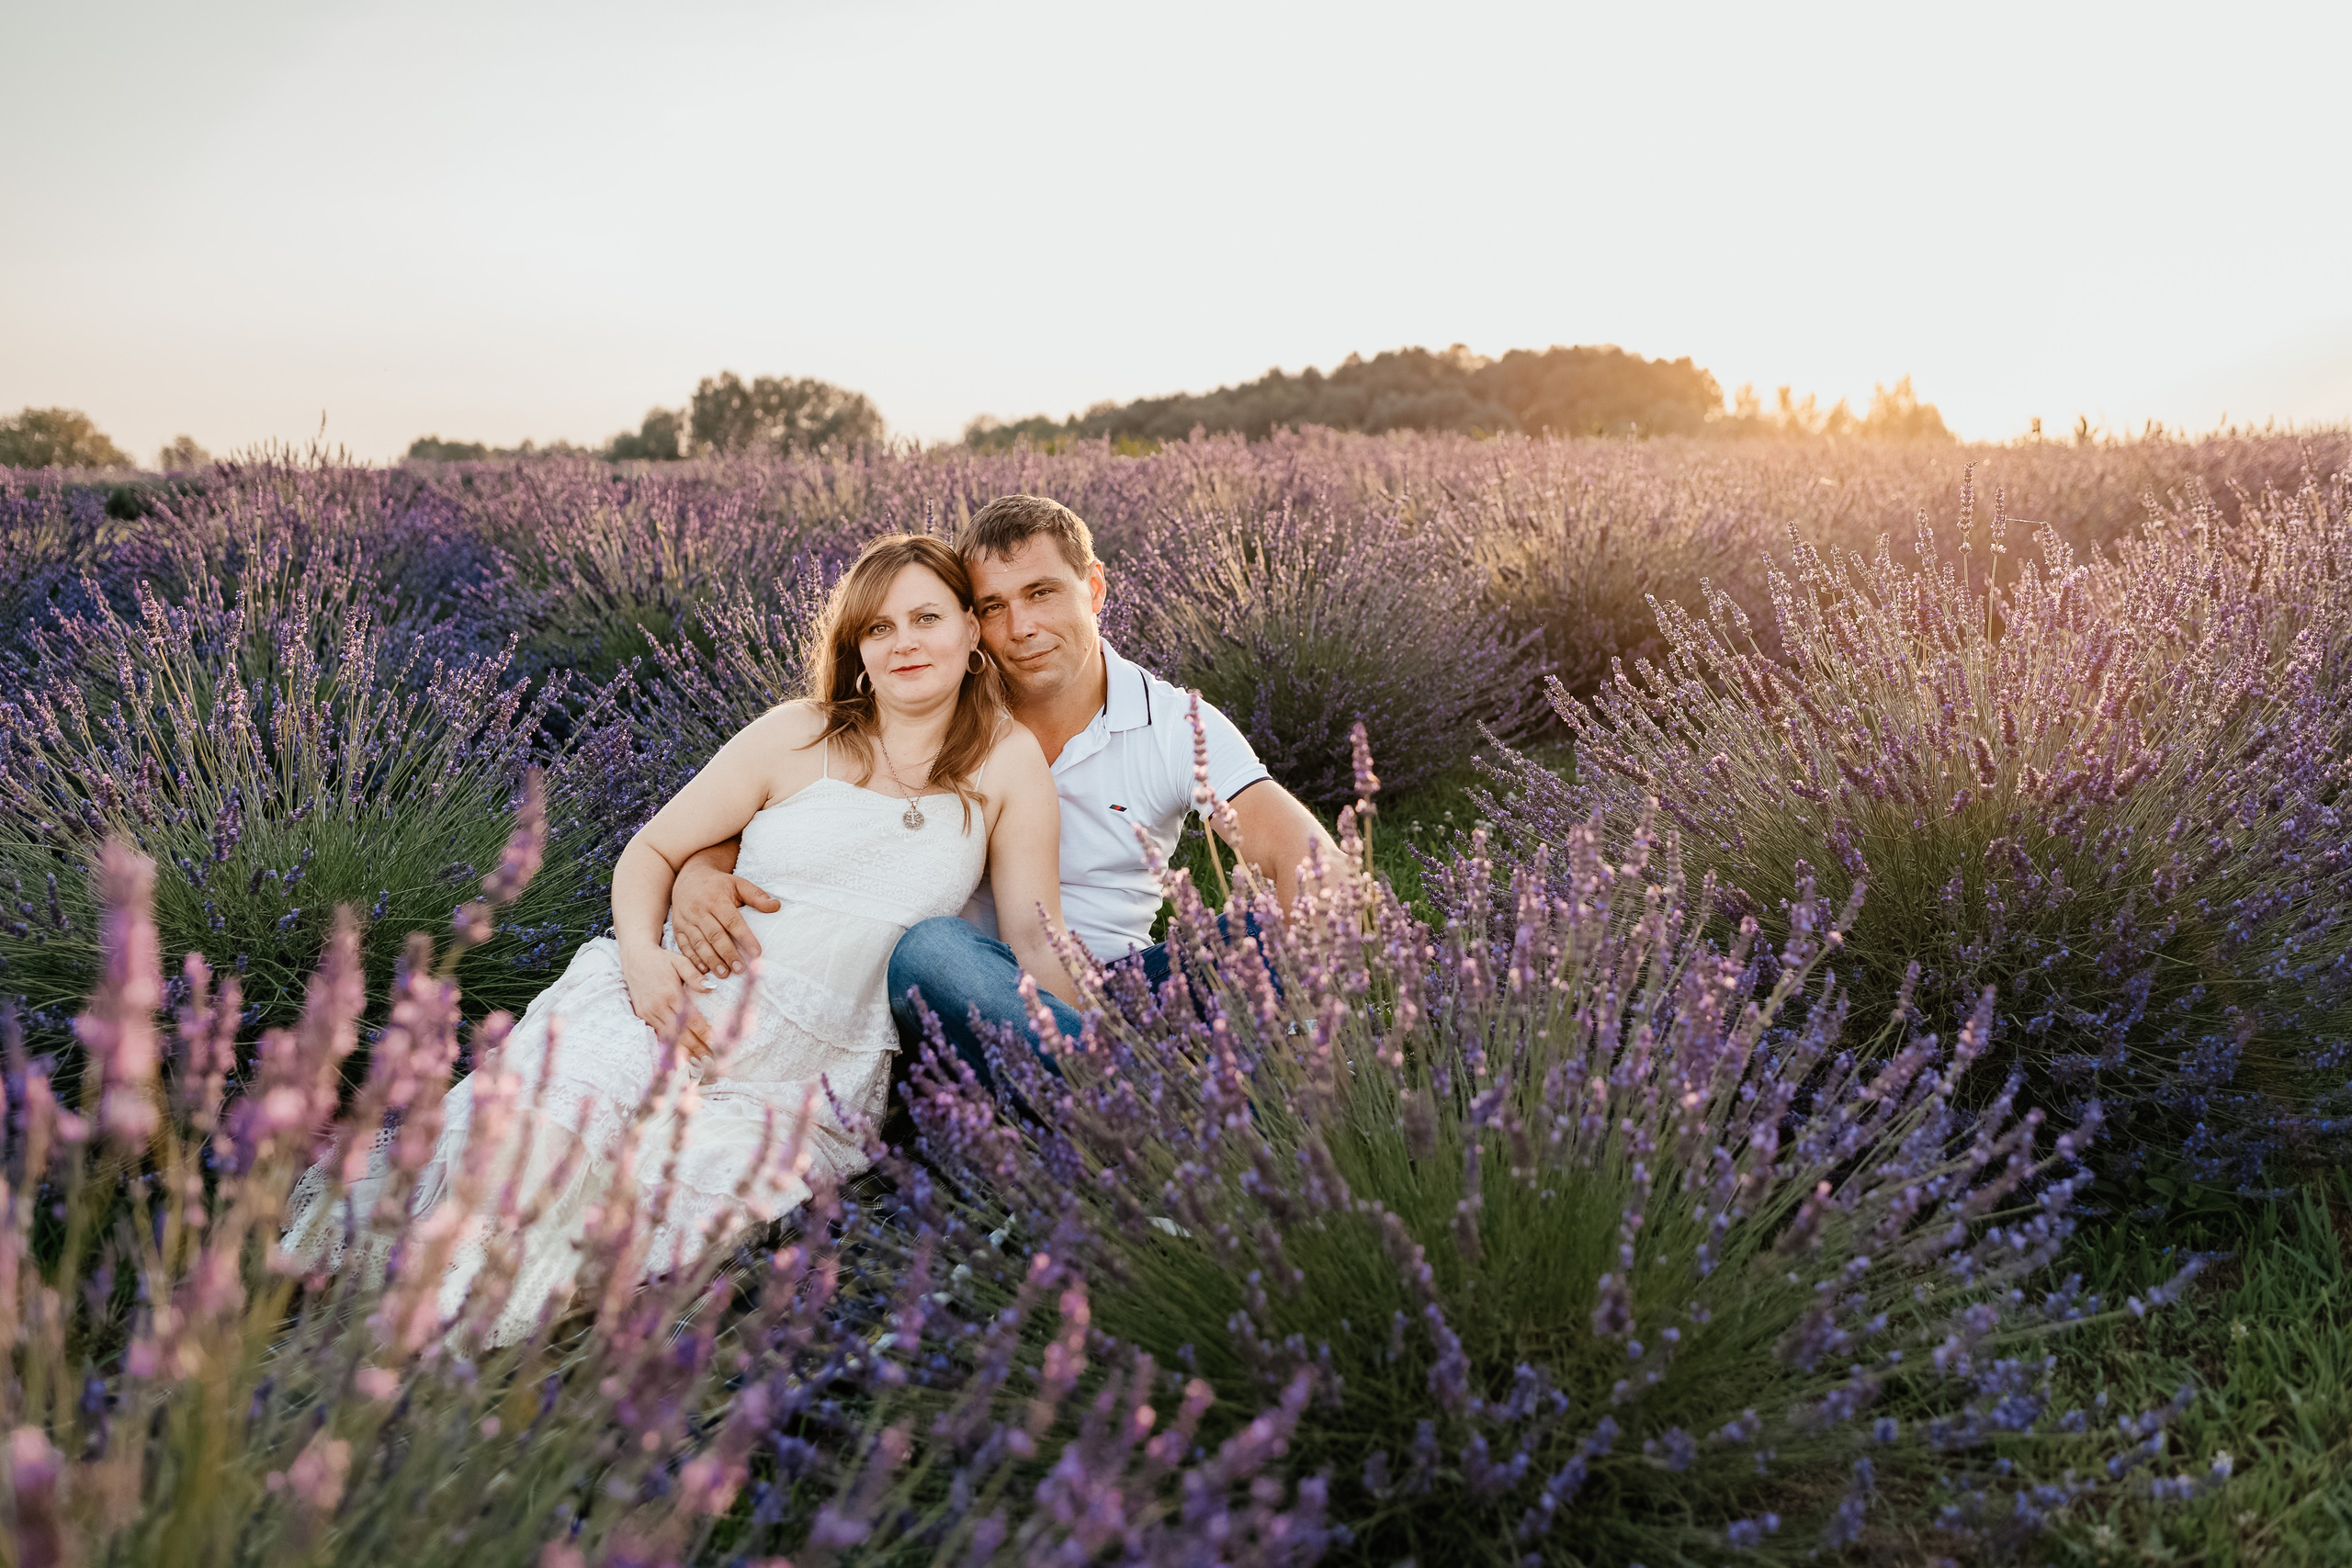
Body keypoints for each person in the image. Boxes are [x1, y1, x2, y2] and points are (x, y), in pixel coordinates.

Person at [283, 535, 1076, 1344]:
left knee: (639, 1208)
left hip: (803, 1074)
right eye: (879, 627)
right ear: (857, 649)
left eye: (926, 617)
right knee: (533, 1148)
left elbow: (1033, 940)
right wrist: (642, 957)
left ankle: (434, 1328)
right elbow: (653, 851)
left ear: (971, 633)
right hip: (672, 1000)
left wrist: (1109, 1054)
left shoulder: (1006, 761)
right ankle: (365, 1297)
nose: (904, 641)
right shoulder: (796, 733)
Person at [670, 494, 1336, 1086]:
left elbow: (1311, 864)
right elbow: (812, 806)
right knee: (931, 949)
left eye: (1042, 592)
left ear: (1094, 588)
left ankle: (1101, 1083)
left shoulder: (1172, 723)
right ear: (969, 621)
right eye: (995, 606)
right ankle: (1148, 1097)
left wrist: (1304, 987)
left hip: (1116, 992)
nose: (1020, 628)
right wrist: (702, 866)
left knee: (1260, 933)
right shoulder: (943, 707)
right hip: (969, 990)